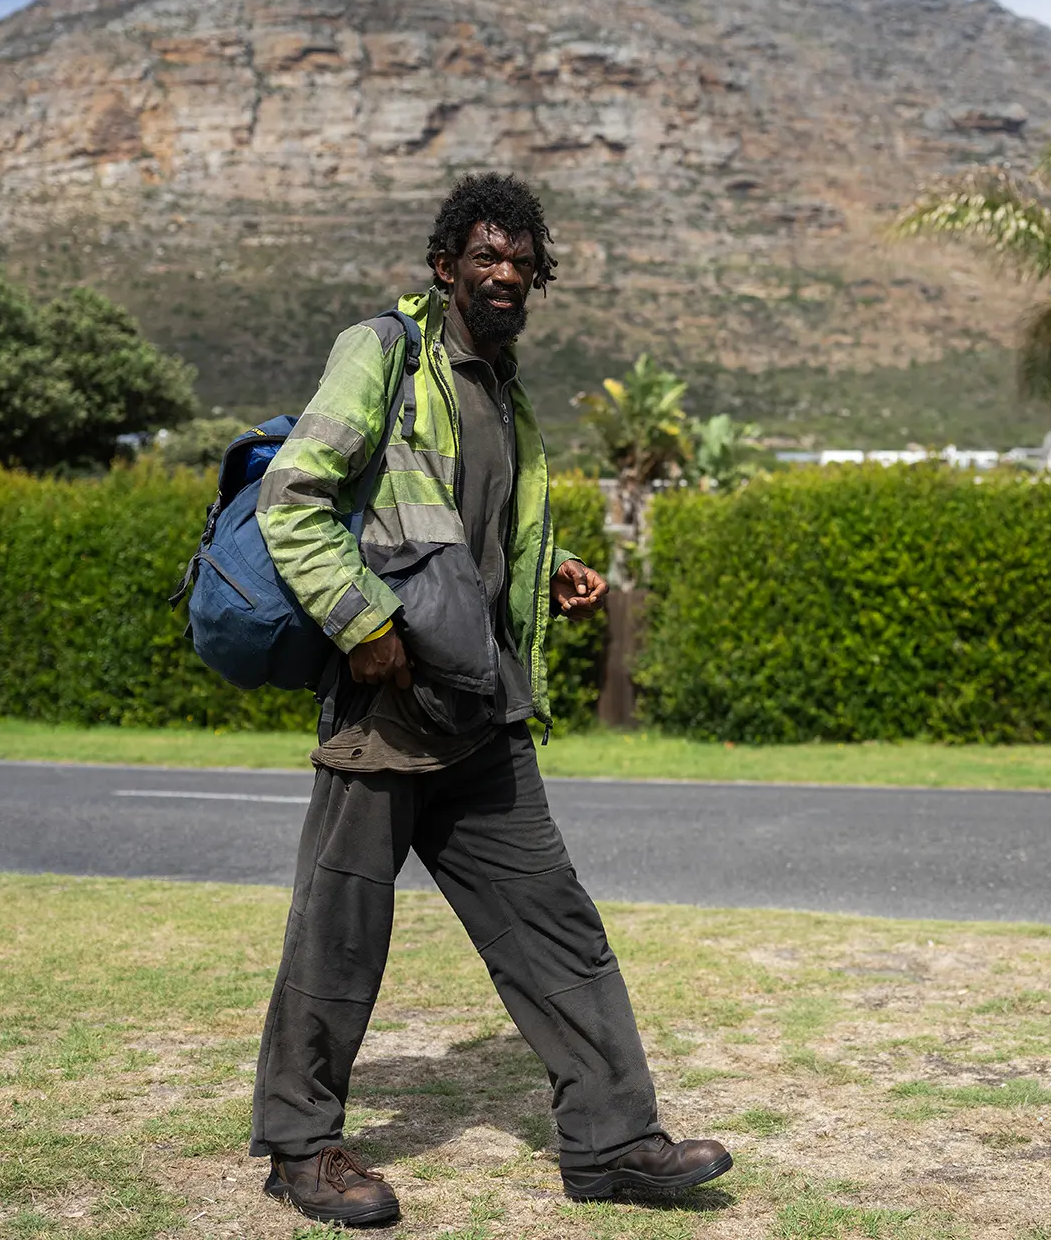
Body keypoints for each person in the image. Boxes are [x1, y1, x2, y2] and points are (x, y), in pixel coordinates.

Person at [248, 172, 731, 1227]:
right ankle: (298, 1148)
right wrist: (359, 621)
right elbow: (294, 499)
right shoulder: (382, 352)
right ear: (445, 265)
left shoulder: (505, 391)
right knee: (338, 938)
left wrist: (544, 573)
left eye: (521, 261)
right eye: (486, 256)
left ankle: (612, 1144)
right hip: (385, 707)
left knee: (557, 927)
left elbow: (473, 537)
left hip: (484, 708)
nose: (505, 274)